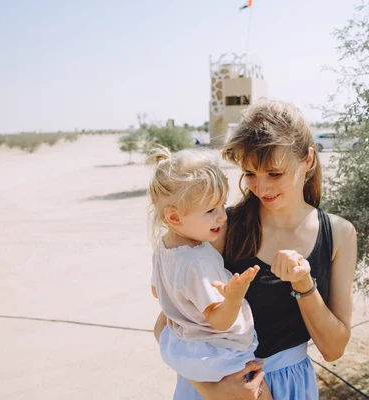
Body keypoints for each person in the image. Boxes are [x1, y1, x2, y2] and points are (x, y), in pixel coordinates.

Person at [154, 99, 357, 399]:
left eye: (274, 174)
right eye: (250, 173)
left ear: (309, 160)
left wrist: (304, 286)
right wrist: (212, 389)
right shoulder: (220, 229)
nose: (261, 188)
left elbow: (333, 349)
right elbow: (167, 326)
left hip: (291, 386)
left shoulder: (339, 234)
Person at [147, 147, 273, 399]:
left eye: (222, 206)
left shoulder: (164, 248)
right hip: (221, 353)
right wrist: (234, 297)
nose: (222, 217)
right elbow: (220, 321)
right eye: (210, 211)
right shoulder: (197, 260)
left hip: (184, 346)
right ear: (174, 216)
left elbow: (156, 290)